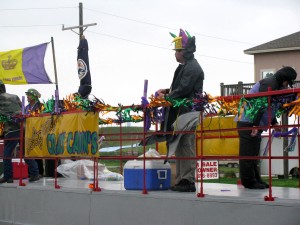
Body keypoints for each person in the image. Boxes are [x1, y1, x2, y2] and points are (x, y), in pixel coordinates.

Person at [156, 29, 204, 192]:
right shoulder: (186, 66)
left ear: (185, 51)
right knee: (181, 144)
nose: (175, 54)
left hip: (188, 112)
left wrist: (166, 98)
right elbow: (179, 88)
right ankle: (183, 179)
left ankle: (188, 180)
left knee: (186, 145)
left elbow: (184, 89)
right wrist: (168, 91)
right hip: (182, 112)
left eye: (177, 51)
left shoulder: (192, 67)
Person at [236, 66, 297, 189]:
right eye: (287, 82)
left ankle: (256, 179)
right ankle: (248, 181)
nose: (287, 86)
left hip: (254, 122)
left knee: (254, 154)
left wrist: (273, 122)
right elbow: (260, 105)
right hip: (248, 121)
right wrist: (255, 125)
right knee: (248, 154)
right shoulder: (270, 83)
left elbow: (269, 107)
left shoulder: (274, 85)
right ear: (283, 78)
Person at [0, 81, 40, 183]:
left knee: (7, 154)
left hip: (11, 129)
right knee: (24, 152)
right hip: (23, 127)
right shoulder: (14, 96)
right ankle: (35, 173)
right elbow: (22, 109)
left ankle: (8, 176)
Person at [25, 88, 44, 177]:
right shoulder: (26, 107)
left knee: (37, 152)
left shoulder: (40, 105)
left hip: (38, 131)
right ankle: (31, 172)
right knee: (29, 153)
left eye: (29, 95)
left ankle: (39, 172)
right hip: (28, 132)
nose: (27, 97)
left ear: (34, 96)